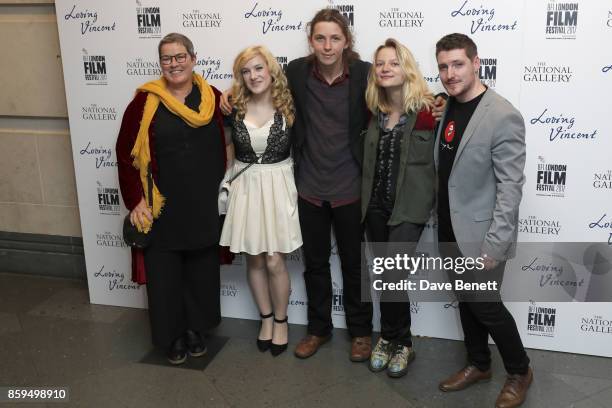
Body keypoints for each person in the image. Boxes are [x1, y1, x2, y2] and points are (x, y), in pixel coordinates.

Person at [116, 33, 228, 365]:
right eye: (167, 58)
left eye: (180, 57)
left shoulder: (214, 97)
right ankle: (172, 336)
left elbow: (239, 127)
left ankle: (197, 330)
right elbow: (125, 154)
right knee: (164, 274)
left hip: (203, 203)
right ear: (160, 63)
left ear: (194, 58)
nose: (174, 64)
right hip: (160, 205)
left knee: (201, 270)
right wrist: (136, 200)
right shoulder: (143, 102)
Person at [434, 33, 532, 408]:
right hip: (448, 227)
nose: (449, 73)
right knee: (465, 301)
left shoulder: (502, 114)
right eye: (443, 66)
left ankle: (520, 370)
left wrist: (494, 244)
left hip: (482, 235)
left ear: (477, 63)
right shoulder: (448, 106)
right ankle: (478, 363)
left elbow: (510, 188)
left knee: (486, 304)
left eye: (458, 64)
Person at [220, 45, 301, 356]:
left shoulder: (290, 105)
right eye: (245, 71)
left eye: (258, 68)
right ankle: (265, 319)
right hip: (245, 187)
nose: (253, 76)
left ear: (270, 71)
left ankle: (281, 321)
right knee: (253, 258)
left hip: (279, 186)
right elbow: (227, 148)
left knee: (273, 259)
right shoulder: (233, 107)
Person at [361, 38, 436, 378]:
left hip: (409, 209)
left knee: (393, 275)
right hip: (375, 207)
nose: (386, 68)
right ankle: (388, 338)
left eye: (393, 63)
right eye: (380, 64)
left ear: (406, 68)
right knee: (384, 276)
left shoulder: (428, 110)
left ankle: (401, 342)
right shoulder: (373, 113)